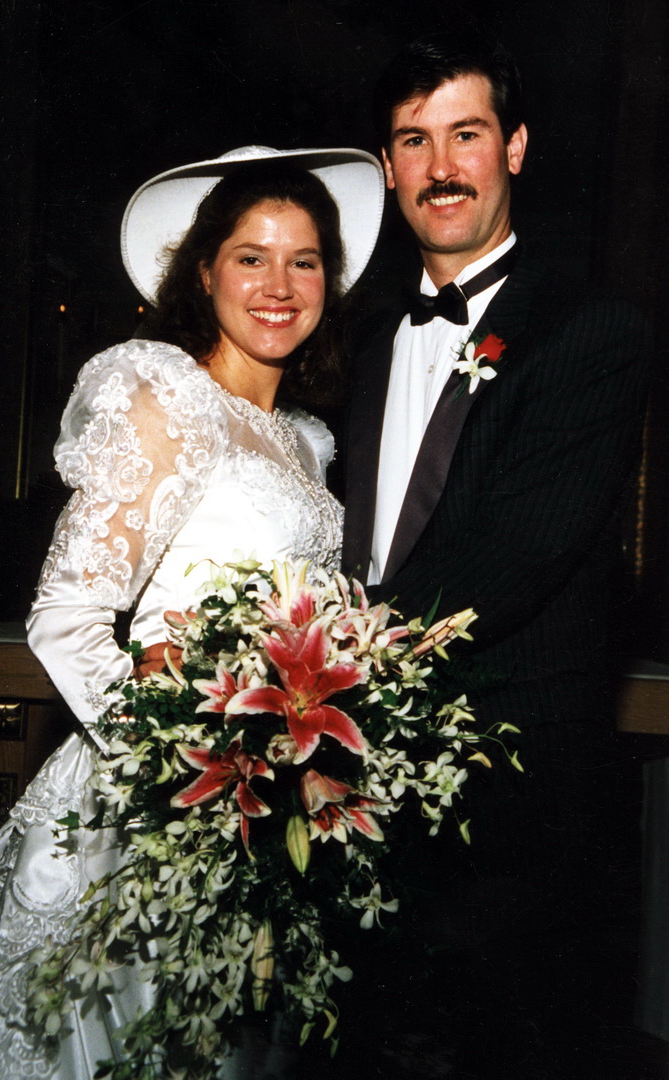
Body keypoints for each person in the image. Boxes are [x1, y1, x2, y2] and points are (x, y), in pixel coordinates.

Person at [0, 145, 384, 1079]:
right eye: (251, 257)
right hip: (152, 808)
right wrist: (173, 766)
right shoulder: (166, 396)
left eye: (304, 261)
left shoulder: (305, 442)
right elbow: (65, 616)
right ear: (203, 272)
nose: (278, 285)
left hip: (260, 808)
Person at [340, 32, 655, 1080]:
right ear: (387, 168)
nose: (441, 168)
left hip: (516, 808)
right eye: (414, 141)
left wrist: (318, 668)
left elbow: (516, 552)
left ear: (513, 147)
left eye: (465, 135)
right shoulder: (362, 340)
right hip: (351, 788)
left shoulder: (591, 331)